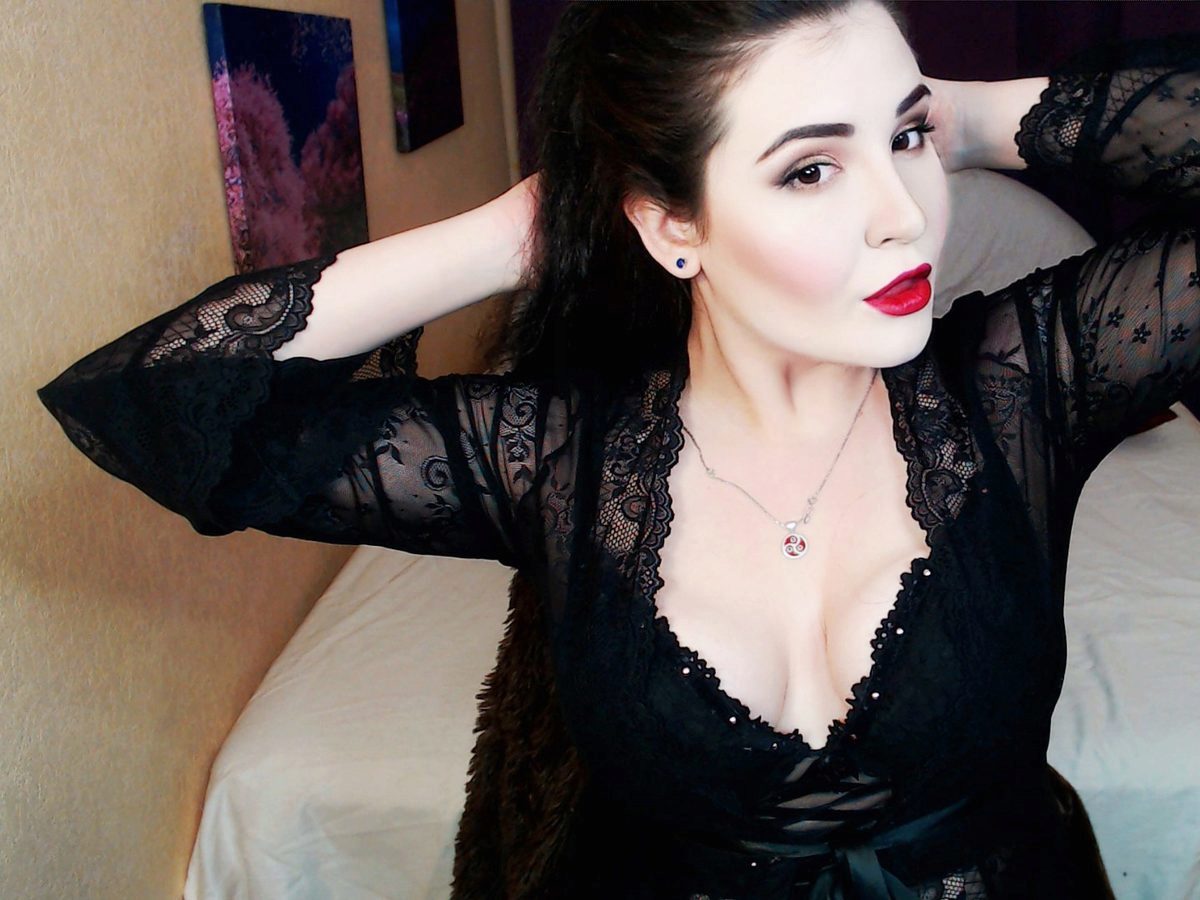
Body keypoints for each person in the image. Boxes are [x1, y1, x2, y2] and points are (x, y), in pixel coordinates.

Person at [36, 1, 1198, 897]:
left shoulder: (1022, 383)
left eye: (904, 139)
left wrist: (977, 120)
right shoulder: (558, 457)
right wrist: (522, 230)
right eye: (811, 168)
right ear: (671, 224)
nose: (905, 212)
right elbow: (157, 407)